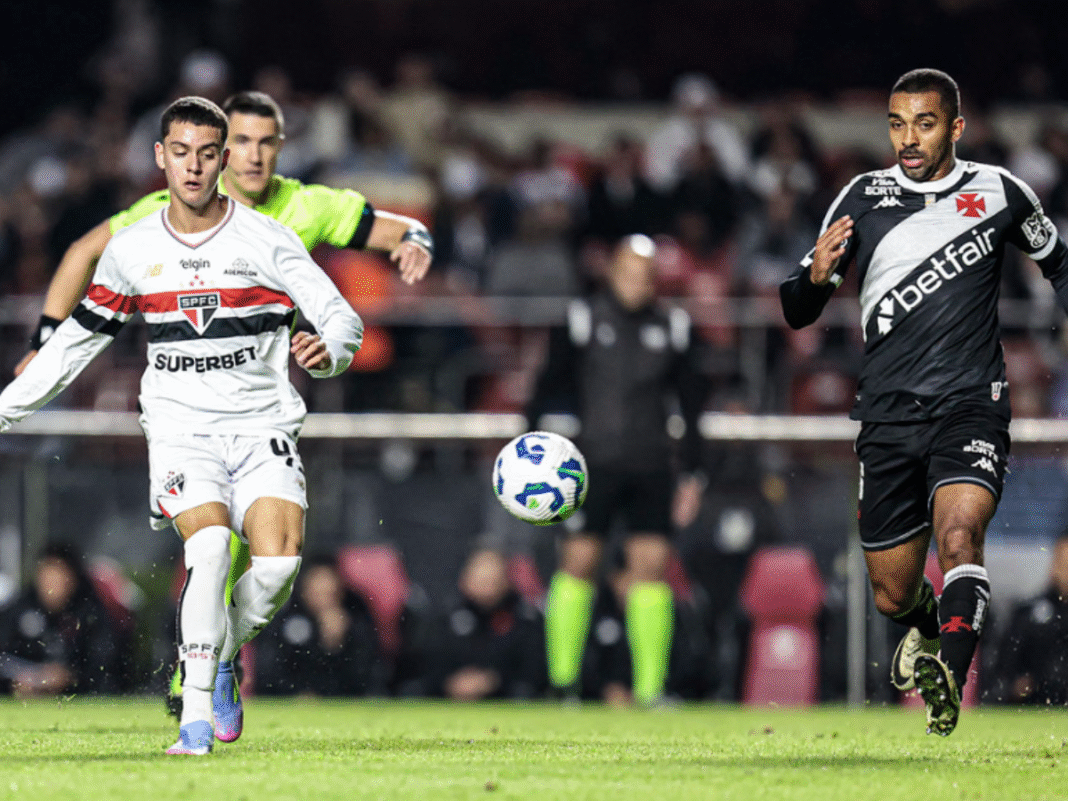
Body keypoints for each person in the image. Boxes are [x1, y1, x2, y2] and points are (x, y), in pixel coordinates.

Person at [14, 89, 433, 720]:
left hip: (263, 417)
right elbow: (80, 314)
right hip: (183, 426)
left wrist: (341, 342)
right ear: (169, 157)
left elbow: (356, 297)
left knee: (274, 569)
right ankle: (197, 709)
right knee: (208, 550)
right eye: (233, 143)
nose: (246, 156)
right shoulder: (145, 231)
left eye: (259, 143)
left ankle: (216, 652)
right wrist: (32, 361)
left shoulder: (289, 221)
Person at [779, 68, 1068, 736]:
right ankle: (926, 625)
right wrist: (815, 277)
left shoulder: (1001, 192)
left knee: (961, 532)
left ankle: (951, 683)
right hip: (886, 417)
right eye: (897, 122)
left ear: (956, 127)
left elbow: (1061, 265)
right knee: (892, 591)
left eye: (925, 122)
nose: (908, 138)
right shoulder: (861, 195)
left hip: (972, 405)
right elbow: (797, 308)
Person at [527, 233, 707, 706]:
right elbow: (545, 391)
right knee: (578, 564)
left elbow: (692, 409)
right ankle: (562, 684)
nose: (636, 282)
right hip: (592, 466)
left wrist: (693, 475)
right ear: (611, 273)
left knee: (652, 570)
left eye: (645, 274)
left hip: (651, 465)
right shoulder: (582, 319)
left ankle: (650, 690)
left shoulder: (675, 327)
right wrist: (536, 455)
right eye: (628, 272)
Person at [408, 547, 547, 701]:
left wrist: (492, 681)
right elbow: (424, 666)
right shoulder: (443, 618)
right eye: (482, 581)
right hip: (446, 700)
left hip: (505, 702)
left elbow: (532, 673)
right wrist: (449, 682)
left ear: (507, 582)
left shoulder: (524, 619)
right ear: (465, 579)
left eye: (494, 581)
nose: (488, 589)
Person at [0, 543, 132, 697]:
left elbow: (107, 667)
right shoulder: (19, 610)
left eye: (58, 575)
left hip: (80, 699)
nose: (51, 584)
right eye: (46, 575)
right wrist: (14, 683)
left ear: (72, 578)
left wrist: (70, 679)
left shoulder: (91, 614)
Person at [254, 554, 384, 697]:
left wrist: (336, 644)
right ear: (304, 588)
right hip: (290, 706)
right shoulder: (283, 614)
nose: (324, 596)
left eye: (330, 593)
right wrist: (297, 694)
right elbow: (268, 675)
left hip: (344, 705)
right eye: (318, 591)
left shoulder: (356, 613)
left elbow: (369, 676)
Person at [992, 532, 1068, 705]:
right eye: (1065, 565)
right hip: (1033, 705)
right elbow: (1002, 668)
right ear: (1054, 567)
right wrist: (1013, 685)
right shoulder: (1027, 614)